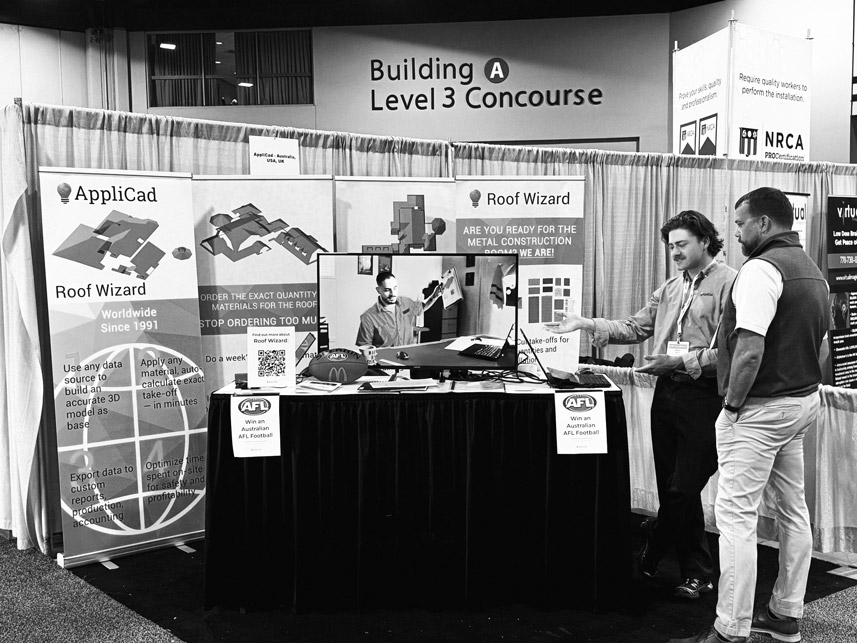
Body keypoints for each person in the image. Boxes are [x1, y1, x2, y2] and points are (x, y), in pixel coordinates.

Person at [546, 210, 737, 599]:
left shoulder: (730, 284)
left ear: (705, 241)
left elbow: (730, 352)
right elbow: (635, 328)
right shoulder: (669, 288)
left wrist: (681, 362)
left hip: (704, 395)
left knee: (685, 485)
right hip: (666, 392)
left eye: (681, 244)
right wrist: (587, 323)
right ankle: (697, 573)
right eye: (671, 246)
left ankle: (656, 539)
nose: (675, 252)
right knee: (671, 486)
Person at [669, 188, 829, 643]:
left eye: (740, 224)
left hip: (759, 409)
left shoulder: (761, 269)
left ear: (763, 223)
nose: (736, 233)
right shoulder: (812, 270)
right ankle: (784, 613)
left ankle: (730, 629)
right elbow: (821, 348)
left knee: (735, 519)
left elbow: (749, 349)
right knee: (793, 511)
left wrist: (733, 406)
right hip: (801, 403)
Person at [356, 270, 442, 348]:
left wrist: (434, 296)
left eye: (395, 288)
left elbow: (422, 307)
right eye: (387, 290)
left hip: (409, 356)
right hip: (385, 359)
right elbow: (364, 347)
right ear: (378, 290)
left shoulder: (406, 302)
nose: (393, 294)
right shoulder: (368, 317)